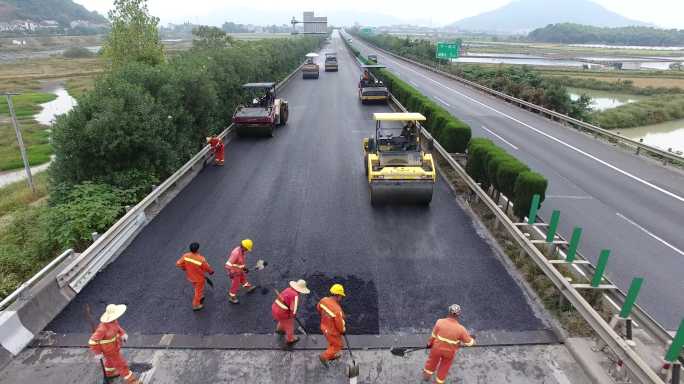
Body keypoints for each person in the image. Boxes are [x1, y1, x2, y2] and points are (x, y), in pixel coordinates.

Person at [88, 304, 141, 384]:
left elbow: (118, 327)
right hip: (109, 350)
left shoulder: (113, 321)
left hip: (114, 345)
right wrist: (98, 353)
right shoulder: (102, 329)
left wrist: (122, 334)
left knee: (109, 361)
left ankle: (109, 373)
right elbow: (92, 342)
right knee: (121, 364)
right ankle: (131, 381)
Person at [423, 304, 476, 384]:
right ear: (459, 314)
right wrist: (472, 339)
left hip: (436, 349)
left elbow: (433, 336)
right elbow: (469, 343)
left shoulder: (439, 322)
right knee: (444, 367)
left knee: (431, 362)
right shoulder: (461, 329)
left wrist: (429, 344)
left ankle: (426, 377)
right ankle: (438, 381)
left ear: (449, 312)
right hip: (449, 352)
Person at [176, 242, 214, 311]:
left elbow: (178, 263)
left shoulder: (185, 256)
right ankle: (196, 305)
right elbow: (207, 267)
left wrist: (184, 268)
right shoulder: (201, 259)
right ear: (197, 250)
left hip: (190, 276)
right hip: (199, 278)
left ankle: (200, 296)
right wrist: (211, 271)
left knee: (196, 287)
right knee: (198, 291)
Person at [272, 279, 310, 346]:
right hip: (283, 313)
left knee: (282, 321)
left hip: (275, 308)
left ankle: (279, 330)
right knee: (289, 326)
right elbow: (293, 309)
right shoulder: (295, 296)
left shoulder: (288, 289)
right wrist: (292, 316)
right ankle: (290, 339)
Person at [316, 283, 347, 366]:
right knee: (338, 345)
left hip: (324, 327)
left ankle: (331, 354)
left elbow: (319, 308)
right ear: (338, 295)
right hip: (332, 331)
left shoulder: (324, 300)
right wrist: (343, 330)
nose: (342, 298)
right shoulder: (337, 310)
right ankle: (324, 357)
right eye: (341, 296)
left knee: (332, 342)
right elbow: (339, 325)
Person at [225, 239, 256, 304]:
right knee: (235, 285)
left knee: (243, 278)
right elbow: (227, 265)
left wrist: (244, 268)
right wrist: (230, 273)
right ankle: (232, 297)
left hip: (239, 270)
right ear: (244, 247)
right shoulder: (236, 253)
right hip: (234, 272)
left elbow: (240, 263)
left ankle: (248, 287)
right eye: (247, 249)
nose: (247, 250)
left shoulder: (242, 251)